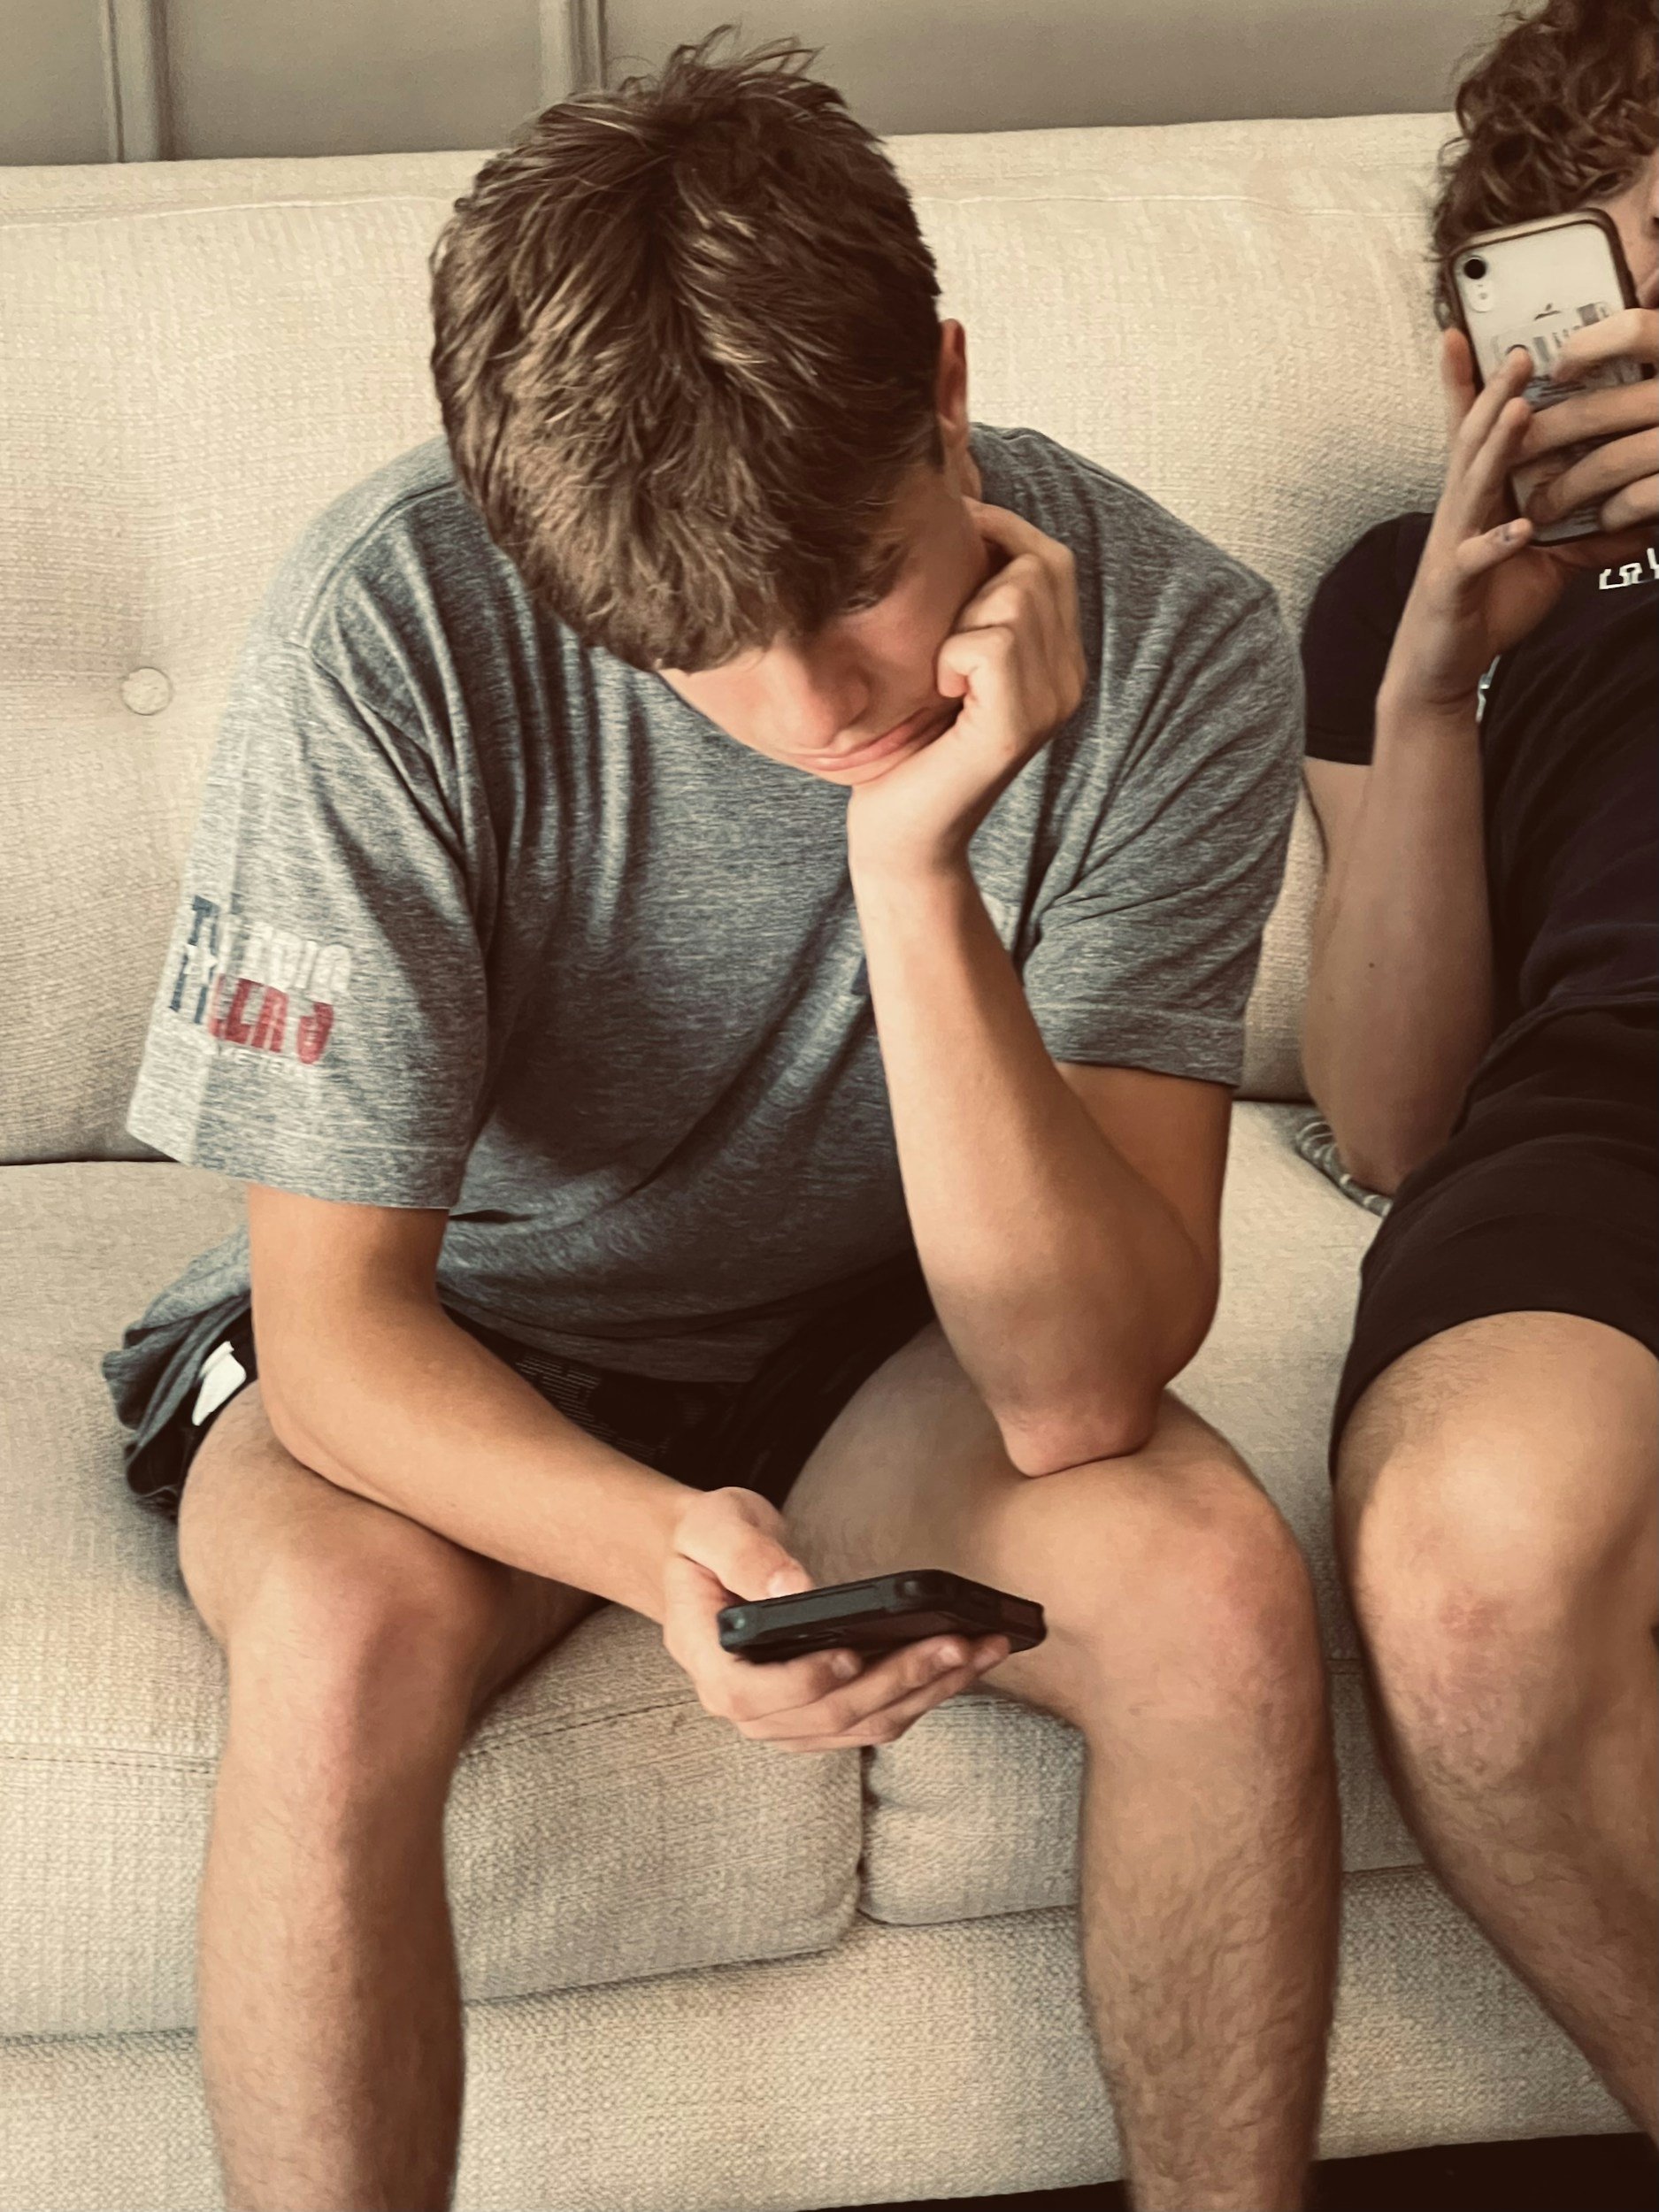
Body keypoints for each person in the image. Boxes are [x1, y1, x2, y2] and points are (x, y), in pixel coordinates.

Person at [103, 35, 1337, 2212]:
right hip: (463, 1341)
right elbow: (340, 1332)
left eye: (855, 574)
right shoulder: (390, 621)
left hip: (876, 1334)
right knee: (342, 1640)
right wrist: (661, 1553)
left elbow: (1070, 1390)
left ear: (941, 383)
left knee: (1216, 1597)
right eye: (702, 651)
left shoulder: (1177, 645)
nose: (821, 703)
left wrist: (913, 869)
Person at [1300, 0, 1657, 2142]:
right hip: (1606, 1088)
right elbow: (1387, 1117)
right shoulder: (1394, 595)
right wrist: (1435, 685)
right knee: (1461, 1584)